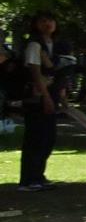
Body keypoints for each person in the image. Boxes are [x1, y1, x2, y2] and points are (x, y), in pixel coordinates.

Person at [16, 12, 61, 190]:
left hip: (50, 93)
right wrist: (46, 97)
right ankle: (29, 179)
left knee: (48, 137)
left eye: (50, 20)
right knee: (35, 137)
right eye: (42, 20)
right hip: (36, 97)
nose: (47, 24)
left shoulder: (53, 45)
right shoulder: (34, 44)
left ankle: (38, 176)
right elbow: (35, 72)